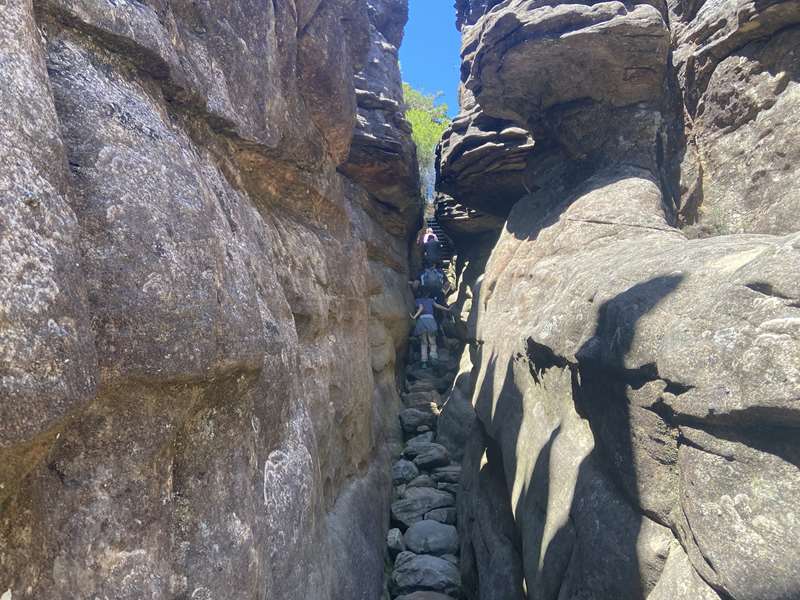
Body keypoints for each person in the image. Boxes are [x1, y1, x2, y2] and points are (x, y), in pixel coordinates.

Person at [410, 289, 450, 368]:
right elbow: (438, 306)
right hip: (431, 321)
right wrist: (447, 309)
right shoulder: (431, 300)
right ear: (428, 294)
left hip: (422, 322)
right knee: (432, 341)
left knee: (424, 343)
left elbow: (421, 308)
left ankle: (424, 362)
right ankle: (433, 358)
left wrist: (414, 316)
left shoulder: (418, 300)